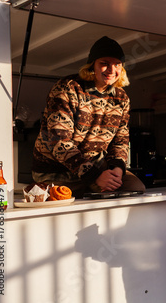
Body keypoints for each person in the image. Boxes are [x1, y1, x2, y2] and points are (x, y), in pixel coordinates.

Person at [32, 36, 145, 198]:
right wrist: (95, 177)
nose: (111, 70)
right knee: (67, 198)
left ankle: (93, 190)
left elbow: (121, 141)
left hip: (97, 166)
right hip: (56, 170)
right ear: (92, 65)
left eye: (117, 64)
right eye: (104, 63)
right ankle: (46, 190)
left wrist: (117, 170)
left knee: (134, 188)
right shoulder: (68, 88)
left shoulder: (121, 98)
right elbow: (59, 142)